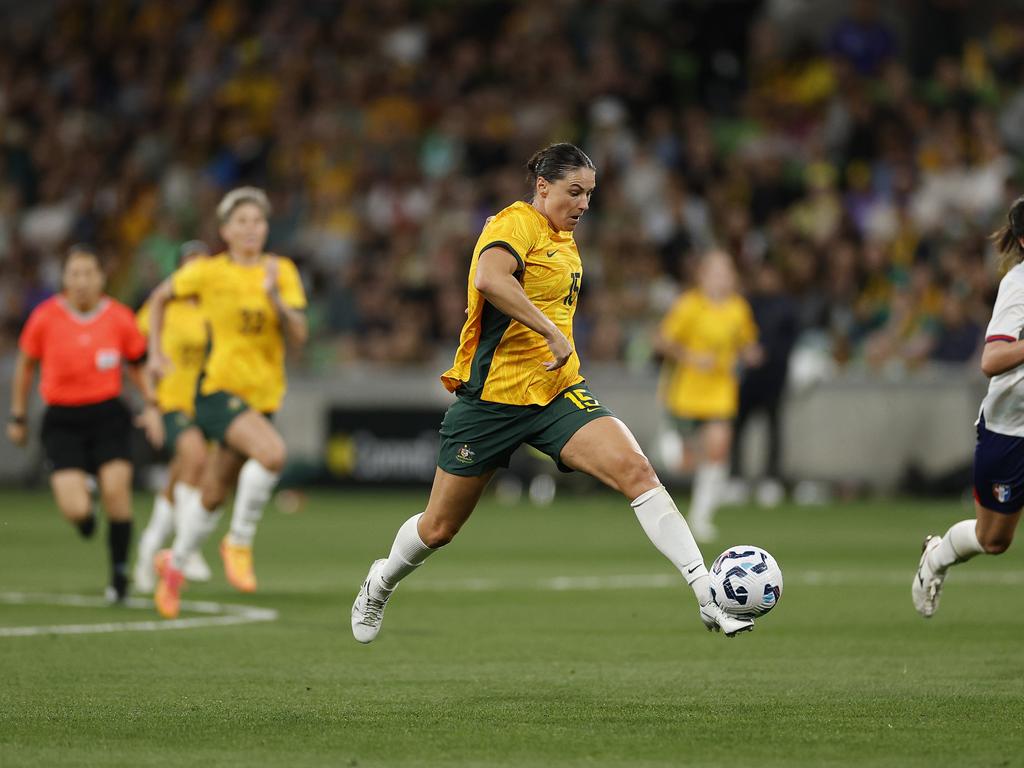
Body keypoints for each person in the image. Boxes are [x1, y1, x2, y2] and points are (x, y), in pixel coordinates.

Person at [351, 143, 753, 644]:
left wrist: (556, 345)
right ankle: (381, 581)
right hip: (492, 401)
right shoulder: (512, 225)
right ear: (543, 186)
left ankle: (707, 593)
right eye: (574, 192)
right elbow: (489, 278)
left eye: (589, 194)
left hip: (557, 393)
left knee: (637, 470)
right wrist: (552, 332)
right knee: (438, 529)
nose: (583, 204)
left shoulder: (565, 239)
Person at [145, 187, 308, 618]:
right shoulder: (209, 271)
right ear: (225, 230)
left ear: (266, 227)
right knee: (272, 453)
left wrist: (274, 297)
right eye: (242, 222)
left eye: (257, 221)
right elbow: (160, 297)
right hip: (218, 390)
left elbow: (300, 335)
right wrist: (156, 352)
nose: (251, 228)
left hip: (263, 396)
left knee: (214, 490)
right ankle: (238, 540)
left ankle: (173, 567)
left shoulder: (281, 270)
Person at [6, 244, 163, 602]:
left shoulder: (119, 318)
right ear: (64, 279)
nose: (80, 281)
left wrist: (152, 406)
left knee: (116, 493)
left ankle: (120, 575)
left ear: (101, 278)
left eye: (87, 274)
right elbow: (26, 366)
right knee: (76, 509)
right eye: (73, 274)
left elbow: (137, 365)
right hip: (63, 420)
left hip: (108, 416)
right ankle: (86, 518)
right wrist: (18, 415)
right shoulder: (45, 318)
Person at [913, 195, 1024, 617]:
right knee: (994, 539)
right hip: (1011, 427)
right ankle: (937, 557)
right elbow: (991, 360)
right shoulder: (1018, 285)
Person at [655, 250, 762, 542]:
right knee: (683, 462)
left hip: (720, 392)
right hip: (686, 394)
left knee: (717, 449)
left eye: (727, 271)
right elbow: (662, 341)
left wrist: (751, 353)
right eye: (716, 271)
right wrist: (690, 356)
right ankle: (669, 444)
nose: (722, 277)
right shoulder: (689, 305)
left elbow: (746, 341)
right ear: (703, 275)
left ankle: (700, 517)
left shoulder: (738, 309)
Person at [133, 240, 213, 592]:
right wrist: (149, 404)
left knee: (179, 477)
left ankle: (149, 547)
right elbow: (135, 353)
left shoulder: (213, 309)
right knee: (195, 458)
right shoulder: (163, 305)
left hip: (204, 404)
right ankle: (187, 547)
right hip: (170, 400)